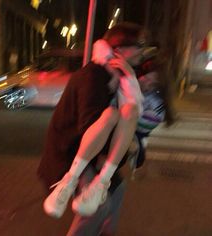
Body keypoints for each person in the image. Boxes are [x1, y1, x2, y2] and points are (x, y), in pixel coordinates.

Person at [42, 25, 145, 219]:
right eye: (139, 45)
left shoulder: (119, 77)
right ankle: (68, 182)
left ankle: (102, 185)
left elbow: (132, 117)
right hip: (69, 154)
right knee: (98, 211)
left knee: (118, 189)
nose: (143, 50)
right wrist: (125, 150)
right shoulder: (92, 76)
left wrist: (130, 77)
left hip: (92, 151)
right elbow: (89, 127)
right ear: (119, 51)